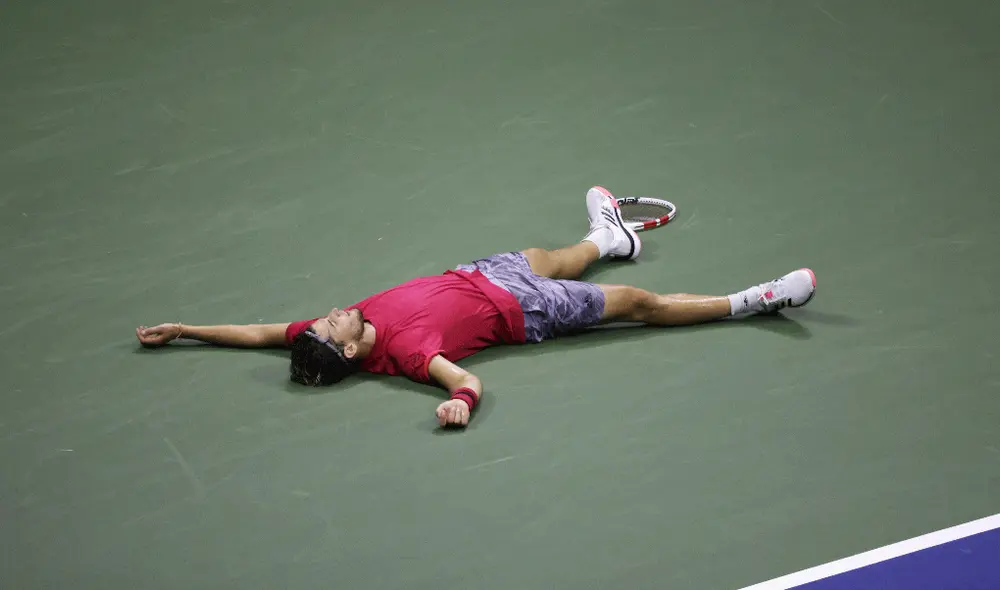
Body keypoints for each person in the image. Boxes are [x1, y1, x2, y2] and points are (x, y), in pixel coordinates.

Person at [137, 187, 816, 428]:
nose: (330, 312)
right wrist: (461, 402)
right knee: (637, 303)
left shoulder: (335, 333)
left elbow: (259, 333)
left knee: (553, 251)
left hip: (486, 272)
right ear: (349, 349)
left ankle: (608, 235)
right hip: (530, 310)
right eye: (329, 324)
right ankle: (751, 303)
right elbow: (462, 379)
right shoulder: (403, 355)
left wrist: (186, 328)